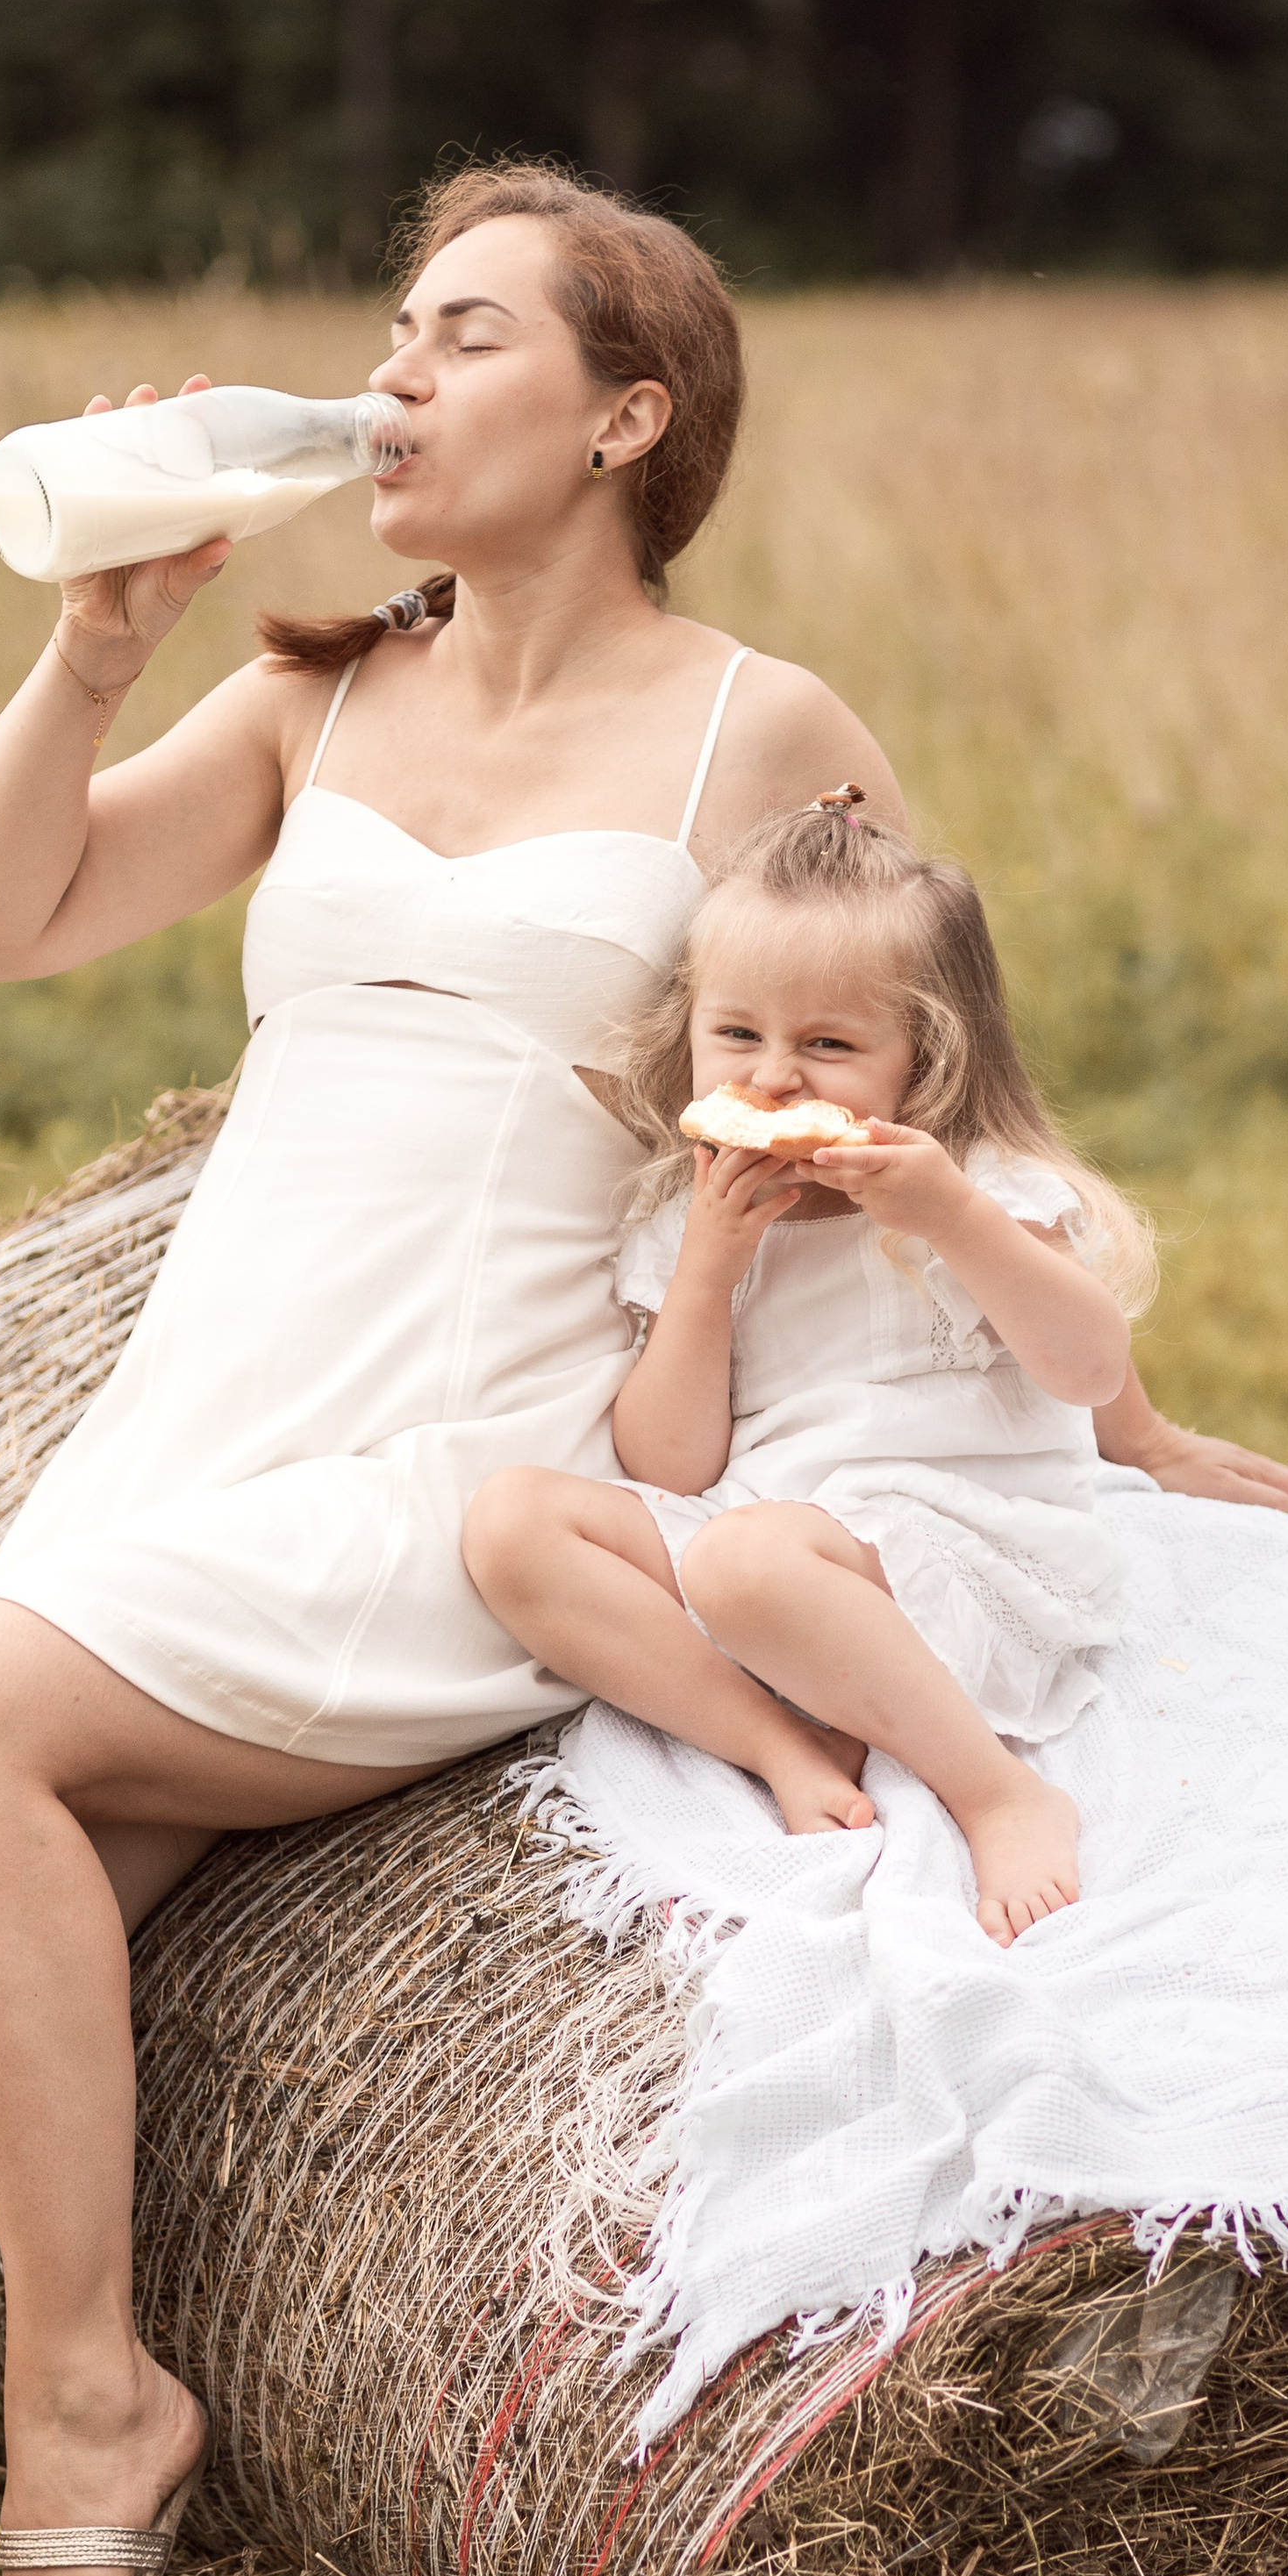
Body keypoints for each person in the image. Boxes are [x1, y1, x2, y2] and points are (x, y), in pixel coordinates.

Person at [0, 160, 1288, 2576]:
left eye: (456, 333)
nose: (386, 375)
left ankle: (87, 2405)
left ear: (628, 411)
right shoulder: (315, 696)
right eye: (388, 325)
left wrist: (1119, 1410)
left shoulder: (759, 728)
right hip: (210, 1412)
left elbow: (928, 1056)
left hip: (473, 1447)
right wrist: (91, 641)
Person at [464, 796, 1153, 1944]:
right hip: (771, 1535)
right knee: (508, 1523)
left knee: (744, 1561)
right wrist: (707, 1270)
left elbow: (1087, 1369)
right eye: (739, 1037)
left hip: (953, 1547)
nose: (776, 1078)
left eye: (828, 1046)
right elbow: (673, 1460)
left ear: (921, 1059)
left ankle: (999, 1793)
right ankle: (781, 1740)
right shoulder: (692, 1218)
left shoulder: (975, 1190)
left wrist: (954, 1215)